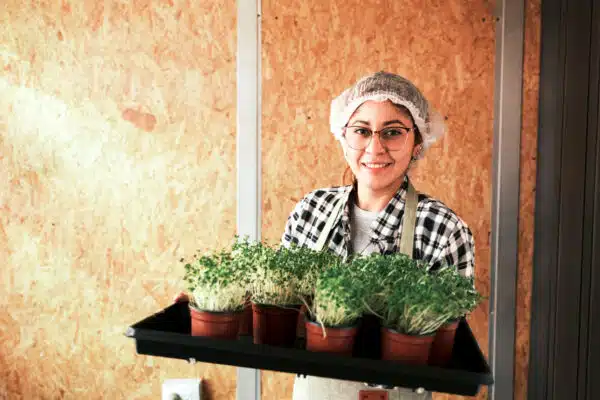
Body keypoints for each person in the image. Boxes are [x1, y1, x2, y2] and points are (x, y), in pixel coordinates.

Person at [282, 71, 475, 400]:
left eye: (392, 132)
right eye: (361, 131)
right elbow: (277, 307)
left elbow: (446, 345)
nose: (375, 147)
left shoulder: (443, 229)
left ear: (416, 143)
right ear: (344, 138)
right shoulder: (310, 210)